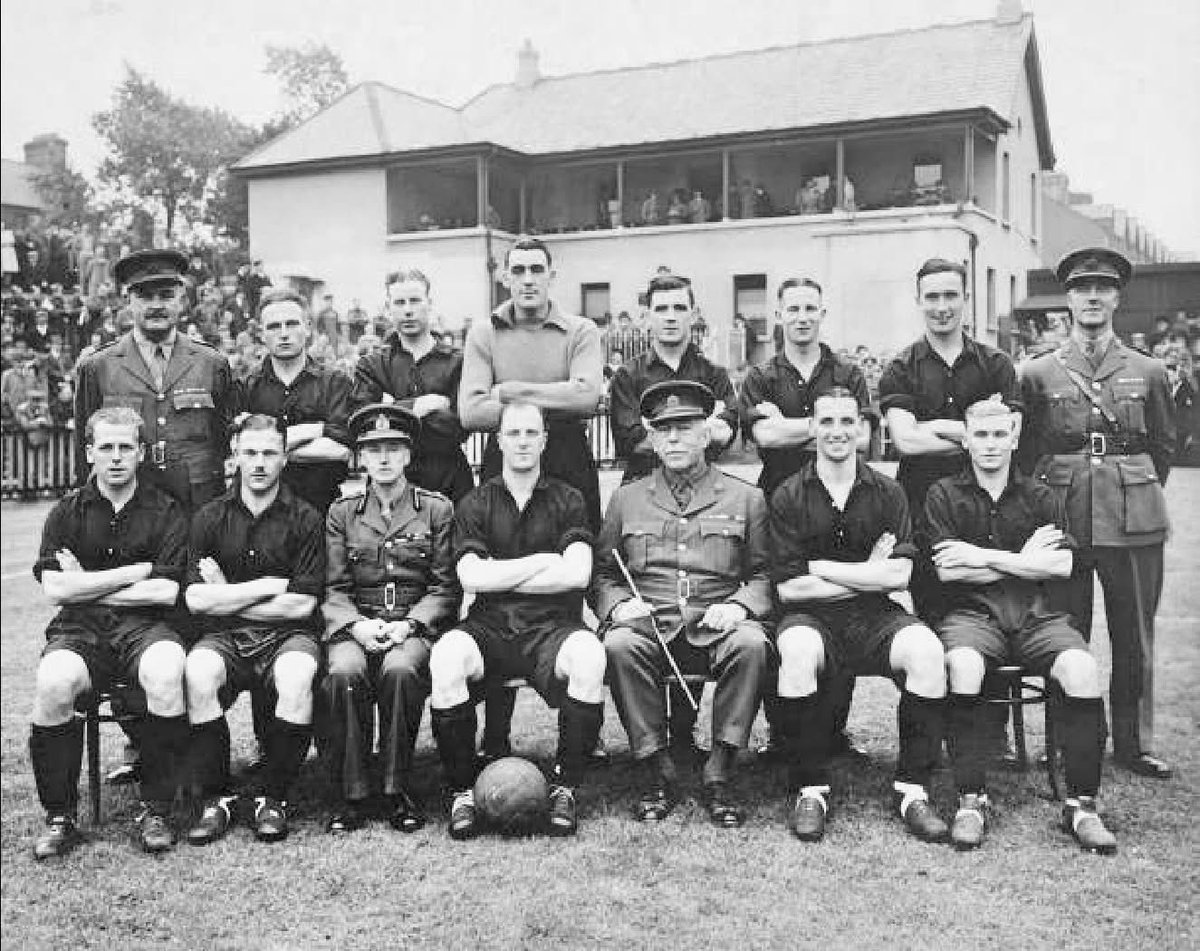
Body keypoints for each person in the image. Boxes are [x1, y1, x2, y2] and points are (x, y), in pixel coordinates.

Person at [927, 398, 1115, 853]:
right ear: (966, 440)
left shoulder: (1041, 495)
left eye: (999, 434)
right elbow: (949, 572)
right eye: (981, 435)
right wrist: (1025, 561)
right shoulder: (943, 494)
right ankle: (971, 799)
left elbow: (1062, 564)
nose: (990, 444)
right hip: (972, 616)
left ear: (1014, 438)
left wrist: (982, 556)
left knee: (1082, 670)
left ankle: (1082, 805)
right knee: (964, 665)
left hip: (1036, 617)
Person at [1018, 247, 1175, 780]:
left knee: (1134, 635)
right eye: (1082, 288)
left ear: (1116, 298)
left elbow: (1163, 446)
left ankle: (1134, 743)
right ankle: (1066, 739)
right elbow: (1028, 452)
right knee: (1064, 631)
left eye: (1102, 288)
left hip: (1133, 518)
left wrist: (1134, 487)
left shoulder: (1148, 370)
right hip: (1065, 514)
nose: (1092, 297)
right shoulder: (1037, 372)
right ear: (1067, 299)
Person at [770, 388, 947, 843]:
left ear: (864, 429)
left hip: (875, 617)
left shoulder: (889, 492)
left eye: (847, 421)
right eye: (827, 421)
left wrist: (821, 567)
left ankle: (912, 790)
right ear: (812, 427)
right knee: (797, 650)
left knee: (927, 651)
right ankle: (810, 789)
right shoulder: (788, 495)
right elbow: (790, 587)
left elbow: (900, 575)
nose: (837, 432)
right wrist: (870, 572)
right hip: (810, 617)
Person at [596, 381, 772, 827]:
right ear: (652, 440)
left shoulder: (745, 497)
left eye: (685, 427)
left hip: (715, 624)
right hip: (650, 626)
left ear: (706, 434)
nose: (674, 439)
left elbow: (765, 575)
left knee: (751, 644)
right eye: (663, 430)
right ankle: (655, 767)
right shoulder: (626, 498)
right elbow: (603, 574)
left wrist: (740, 606)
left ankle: (720, 768)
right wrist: (618, 607)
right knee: (619, 644)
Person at [429, 401, 605, 839]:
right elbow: (471, 577)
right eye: (513, 433)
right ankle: (462, 791)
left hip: (552, 627)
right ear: (499, 441)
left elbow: (577, 574)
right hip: (490, 626)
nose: (522, 441)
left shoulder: (569, 498)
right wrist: (544, 561)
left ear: (545, 440)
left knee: (589, 656)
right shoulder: (476, 502)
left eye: (531, 433)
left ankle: (565, 787)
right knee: (447, 656)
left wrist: (502, 572)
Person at [28, 407, 190, 857]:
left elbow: (165, 591)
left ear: (141, 453)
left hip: (146, 628)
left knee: (166, 669)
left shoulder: (167, 511)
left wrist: (87, 585)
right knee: (54, 681)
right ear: (89, 453)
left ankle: (157, 810)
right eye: (106, 447)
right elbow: (56, 589)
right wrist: (133, 573)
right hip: (80, 631)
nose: (116, 457)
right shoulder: (66, 512)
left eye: (125, 447)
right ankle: (60, 818)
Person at [739, 277, 873, 758]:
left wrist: (789, 425)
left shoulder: (848, 373)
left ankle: (834, 731)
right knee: (781, 613)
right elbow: (765, 438)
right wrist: (825, 428)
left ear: (822, 313)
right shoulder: (761, 376)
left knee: (843, 609)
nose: (801, 317)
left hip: (841, 500)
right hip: (779, 503)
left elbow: (863, 438)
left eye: (810, 308)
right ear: (779, 315)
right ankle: (785, 732)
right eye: (792, 308)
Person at [183, 414, 326, 845]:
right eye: (250, 452)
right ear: (235, 456)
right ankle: (218, 798)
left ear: (285, 458)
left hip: (289, 635)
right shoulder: (209, 517)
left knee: (298, 674)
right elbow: (195, 599)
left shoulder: (306, 518)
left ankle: (273, 797)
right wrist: (266, 587)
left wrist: (226, 594)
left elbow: (301, 604)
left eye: (269, 453)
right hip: (225, 638)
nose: (259, 462)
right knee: (198, 672)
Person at [320, 403, 458, 834]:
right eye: (373, 449)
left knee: (400, 670)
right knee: (344, 671)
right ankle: (354, 792)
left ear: (408, 455)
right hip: (357, 623)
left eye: (393, 448)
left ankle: (397, 789)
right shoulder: (342, 512)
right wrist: (356, 625)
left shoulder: (435, 509)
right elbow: (333, 587)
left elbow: (445, 587)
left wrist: (410, 625)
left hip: (411, 624)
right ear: (360, 457)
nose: (383, 458)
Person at [879, 258, 1020, 625]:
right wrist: (979, 433)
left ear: (966, 298)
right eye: (932, 297)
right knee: (933, 621)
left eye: (950, 295)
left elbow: (1011, 435)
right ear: (918, 301)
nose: (941, 307)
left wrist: (933, 427)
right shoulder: (901, 368)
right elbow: (907, 441)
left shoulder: (997, 365)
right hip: (923, 509)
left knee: (995, 619)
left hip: (989, 508)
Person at [459, 236, 604, 530]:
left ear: (551, 276)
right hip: (504, 457)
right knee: (501, 545)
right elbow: (472, 412)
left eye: (536, 270)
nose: (528, 280)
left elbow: (587, 397)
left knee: (578, 544)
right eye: (518, 271)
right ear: (505, 278)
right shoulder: (483, 333)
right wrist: (560, 397)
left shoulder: (581, 331)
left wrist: (511, 391)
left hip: (568, 454)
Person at [74, 249, 236, 512]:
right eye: (145, 296)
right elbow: (85, 451)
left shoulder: (212, 364)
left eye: (166, 295)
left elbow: (225, 443)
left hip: (199, 507)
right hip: (129, 509)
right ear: (128, 301)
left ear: (182, 300)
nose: (156, 305)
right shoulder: (98, 367)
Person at [353, 269, 474, 502]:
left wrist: (392, 409)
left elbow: (458, 428)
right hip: (388, 486)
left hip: (449, 482)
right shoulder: (372, 364)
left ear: (430, 304)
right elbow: (364, 422)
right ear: (388, 308)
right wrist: (421, 406)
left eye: (415, 301)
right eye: (399, 302)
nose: (408, 310)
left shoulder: (457, 362)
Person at [608, 273, 737, 484]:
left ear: (694, 315)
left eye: (679, 308)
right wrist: (700, 429)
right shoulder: (627, 376)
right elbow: (631, 443)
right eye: (661, 309)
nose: (670, 317)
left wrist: (654, 428)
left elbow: (726, 434)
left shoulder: (715, 375)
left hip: (703, 490)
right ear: (647, 316)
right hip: (644, 487)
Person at [239, 289, 353, 515]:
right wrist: (317, 429)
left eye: (291, 324)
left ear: (308, 328)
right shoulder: (246, 388)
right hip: (262, 512)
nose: (284, 334)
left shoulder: (335, 383)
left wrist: (267, 448)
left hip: (322, 507)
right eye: (274, 326)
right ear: (261, 333)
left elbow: (342, 450)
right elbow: (240, 450)